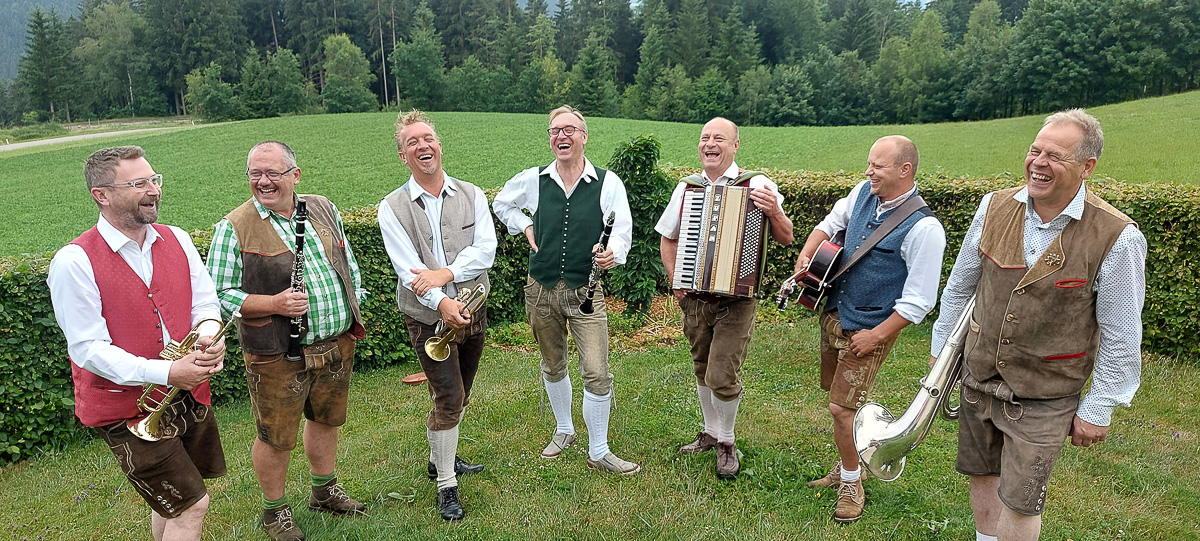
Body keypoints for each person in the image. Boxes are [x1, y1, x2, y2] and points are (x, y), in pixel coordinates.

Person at [930, 109, 1146, 541]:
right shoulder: (992, 206)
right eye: (1035, 151)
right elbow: (959, 288)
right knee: (983, 473)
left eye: (1055, 156)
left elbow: (1122, 334)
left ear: (1087, 167)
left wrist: (1099, 406)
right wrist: (941, 355)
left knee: (1021, 499)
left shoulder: (1118, 236)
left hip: (1046, 393)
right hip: (978, 377)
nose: (1038, 163)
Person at [48, 146, 227, 541]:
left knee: (175, 501)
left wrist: (209, 336)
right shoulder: (73, 261)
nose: (154, 190)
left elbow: (204, 303)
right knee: (191, 506)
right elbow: (87, 348)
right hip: (126, 407)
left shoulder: (177, 238)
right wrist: (167, 371)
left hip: (186, 392)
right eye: (138, 184)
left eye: (154, 180)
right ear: (101, 195)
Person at [207, 141, 367, 541]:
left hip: (335, 341)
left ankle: (324, 490)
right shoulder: (234, 226)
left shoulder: (322, 207)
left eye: (272, 173)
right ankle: (274, 511)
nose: (263, 181)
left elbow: (345, 261)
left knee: (327, 419)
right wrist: (274, 304)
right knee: (276, 437)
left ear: (295, 175)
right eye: (255, 174)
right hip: (277, 352)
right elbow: (217, 294)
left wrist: (354, 300)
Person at [792, 135, 946, 522]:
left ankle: (851, 483)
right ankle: (850, 462)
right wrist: (807, 254)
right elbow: (829, 225)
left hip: (869, 330)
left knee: (840, 409)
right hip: (834, 314)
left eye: (877, 166)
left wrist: (876, 336)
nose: (868, 172)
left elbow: (919, 300)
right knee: (840, 400)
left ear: (904, 170)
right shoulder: (861, 193)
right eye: (869, 163)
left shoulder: (926, 229)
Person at [493, 105, 639, 474]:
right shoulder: (534, 179)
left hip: (585, 290)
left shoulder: (608, 182)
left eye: (569, 129)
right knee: (553, 364)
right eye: (555, 130)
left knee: (597, 371)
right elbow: (501, 203)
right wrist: (525, 226)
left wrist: (612, 253)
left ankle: (599, 450)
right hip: (540, 289)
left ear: (583, 136)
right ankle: (564, 429)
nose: (561, 135)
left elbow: (621, 230)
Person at [656, 117, 795, 480]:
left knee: (721, 373)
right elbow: (668, 238)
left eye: (719, 138)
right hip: (695, 298)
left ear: (735, 145)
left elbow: (786, 237)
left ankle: (727, 442)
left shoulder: (757, 184)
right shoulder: (688, 188)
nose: (710, 144)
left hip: (736, 301)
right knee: (701, 367)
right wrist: (675, 280)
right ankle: (710, 432)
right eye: (705, 138)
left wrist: (774, 210)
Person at [378, 110, 496, 521]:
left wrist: (446, 276)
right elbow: (407, 269)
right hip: (428, 318)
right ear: (403, 156)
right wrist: (442, 303)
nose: (422, 145)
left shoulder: (473, 194)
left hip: (473, 310)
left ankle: (438, 459)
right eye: (412, 142)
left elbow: (486, 250)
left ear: (439, 145)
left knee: (461, 392)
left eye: (427, 138)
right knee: (449, 398)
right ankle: (446, 484)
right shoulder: (391, 207)